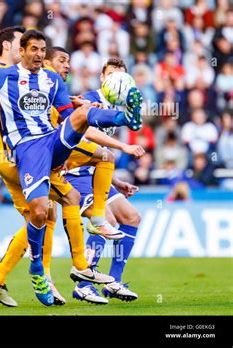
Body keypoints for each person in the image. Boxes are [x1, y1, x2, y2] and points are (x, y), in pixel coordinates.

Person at [0, 29, 144, 306]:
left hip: (52, 142)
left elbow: (69, 116)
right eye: (35, 49)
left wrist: (83, 111)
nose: (40, 55)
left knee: (80, 170)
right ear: (19, 49)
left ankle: (126, 117)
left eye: (43, 50)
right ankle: (39, 270)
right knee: (42, 212)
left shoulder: (52, 80)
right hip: (23, 151)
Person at [70, 58, 143, 304]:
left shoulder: (117, 111)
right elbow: (84, 134)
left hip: (96, 174)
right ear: (103, 78)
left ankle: (113, 282)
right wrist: (124, 146)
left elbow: (101, 154)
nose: (117, 80)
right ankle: (83, 284)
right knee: (107, 221)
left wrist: (117, 181)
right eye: (112, 74)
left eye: (122, 76)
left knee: (131, 217)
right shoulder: (89, 99)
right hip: (75, 171)